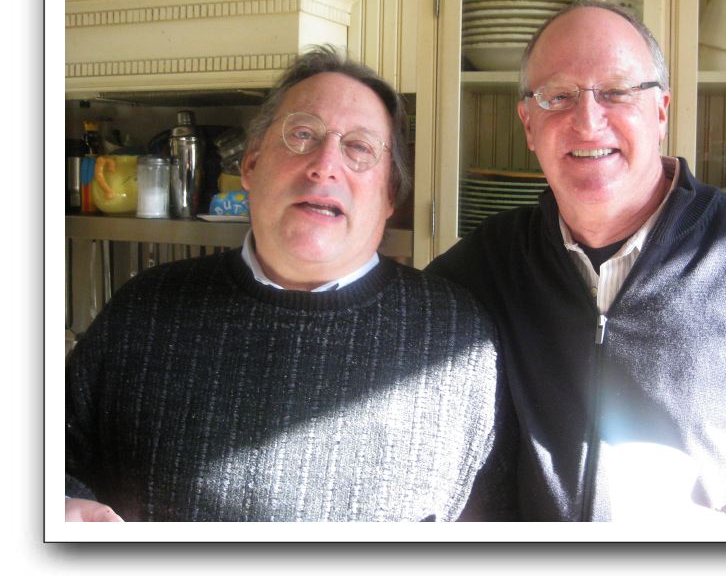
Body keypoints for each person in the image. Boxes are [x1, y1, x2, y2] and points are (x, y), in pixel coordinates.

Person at [427, 0, 726, 522]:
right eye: (558, 96)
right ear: (528, 123)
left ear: (660, 112)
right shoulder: (488, 264)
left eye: (616, 92)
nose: (588, 121)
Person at [65, 45, 502, 522]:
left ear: (390, 194)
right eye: (302, 135)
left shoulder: (457, 338)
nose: (324, 165)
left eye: (359, 148)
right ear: (250, 165)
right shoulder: (143, 311)